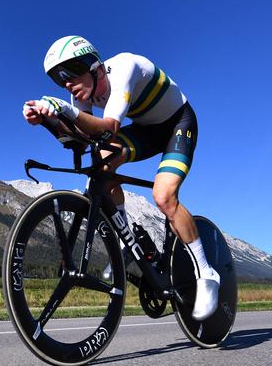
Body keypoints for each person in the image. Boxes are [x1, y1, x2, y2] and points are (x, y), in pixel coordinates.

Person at [22, 35, 219, 320]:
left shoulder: (125, 67)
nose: (66, 83)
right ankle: (128, 244)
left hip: (178, 123)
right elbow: (80, 139)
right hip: (146, 130)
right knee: (100, 165)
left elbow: (108, 128)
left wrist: (65, 111)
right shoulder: (81, 94)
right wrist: (48, 121)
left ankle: (206, 273)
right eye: (58, 79)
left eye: (70, 72)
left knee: (163, 196)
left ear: (94, 66)